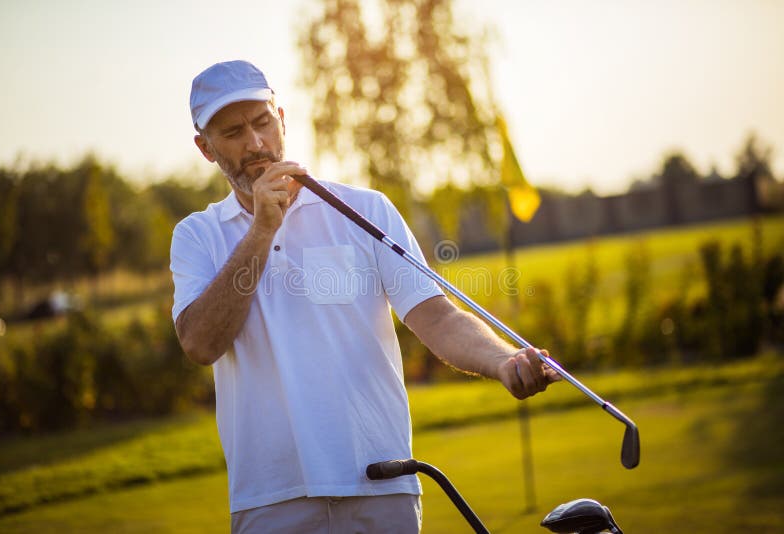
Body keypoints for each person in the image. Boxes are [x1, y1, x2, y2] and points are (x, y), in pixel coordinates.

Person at [171, 60, 561, 533]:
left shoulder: (365, 210)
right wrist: (262, 228)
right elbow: (200, 343)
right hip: (271, 498)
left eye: (262, 123)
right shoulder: (197, 236)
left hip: (382, 482)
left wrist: (503, 361)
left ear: (282, 120)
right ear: (205, 148)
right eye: (232, 132)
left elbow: (435, 316)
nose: (255, 143)